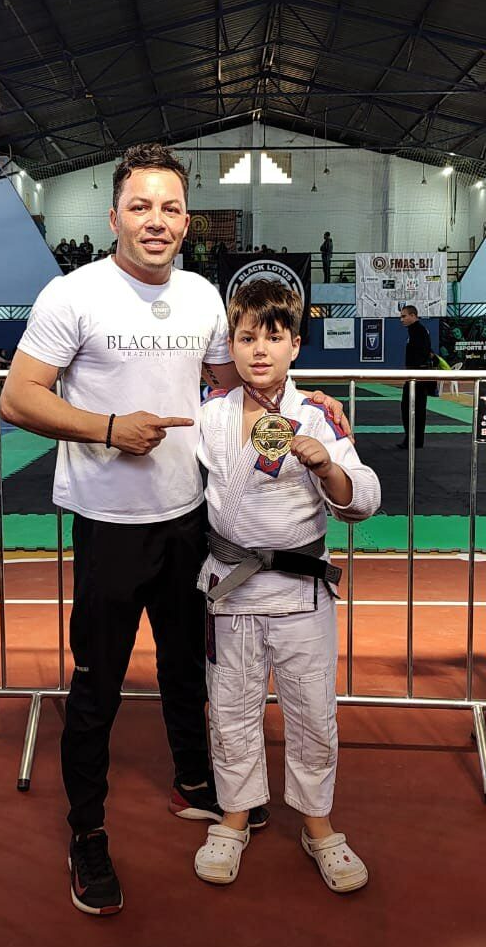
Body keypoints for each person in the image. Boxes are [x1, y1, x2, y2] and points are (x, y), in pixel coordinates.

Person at [0, 142, 350, 917]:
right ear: (114, 216)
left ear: (186, 221)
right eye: (140, 206)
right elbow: (19, 397)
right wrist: (106, 426)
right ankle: (86, 832)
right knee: (96, 685)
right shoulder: (73, 294)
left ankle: (195, 780)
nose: (154, 220)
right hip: (109, 523)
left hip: (190, 518)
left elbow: (241, 386)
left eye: (169, 208)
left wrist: (308, 403)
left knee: (187, 667)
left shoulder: (200, 298)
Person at [193, 279, 380, 892]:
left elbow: (364, 498)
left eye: (273, 338)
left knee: (312, 712)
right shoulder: (211, 417)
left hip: (302, 594)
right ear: (231, 345)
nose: (259, 350)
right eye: (246, 337)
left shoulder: (318, 416)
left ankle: (318, 824)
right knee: (231, 709)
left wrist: (326, 466)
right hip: (233, 589)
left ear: (296, 345)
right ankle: (235, 816)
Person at [397, 305, 436, 450]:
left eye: (404, 316)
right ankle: (413, 439)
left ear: (413, 316)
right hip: (415, 375)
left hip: (418, 377)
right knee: (411, 408)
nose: (401, 319)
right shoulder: (416, 331)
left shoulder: (419, 331)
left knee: (413, 409)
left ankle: (414, 440)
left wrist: (416, 372)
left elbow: (424, 352)